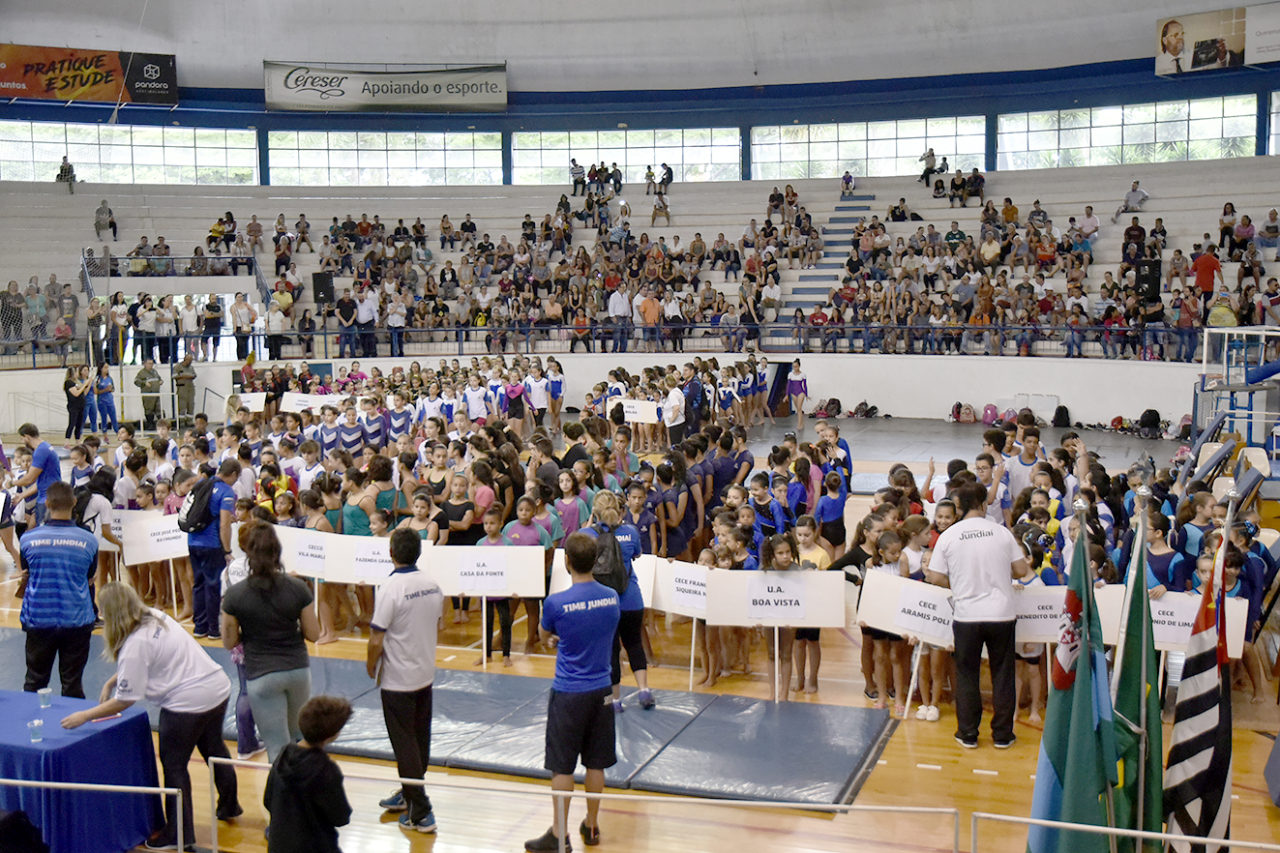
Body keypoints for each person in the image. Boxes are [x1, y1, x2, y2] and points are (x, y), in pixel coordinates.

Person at [60, 583, 241, 851]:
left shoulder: (135, 643)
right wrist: (113, 681)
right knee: (214, 749)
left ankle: (179, 834)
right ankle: (229, 804)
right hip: (217, 687)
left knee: (174, 765)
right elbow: (140, 665)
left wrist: (85, 715)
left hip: (186, 704)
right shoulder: (156, 616)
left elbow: (125, 700)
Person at [524, 532, 620, 853]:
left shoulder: (556, 603)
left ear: (566, 563)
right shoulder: (611, 598)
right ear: (596, 561)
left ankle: (560, 835)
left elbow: (543, 635)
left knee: (562, 766)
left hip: (569, 692)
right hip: (603, 690)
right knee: (596, 763)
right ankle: (591, 827)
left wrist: (554, 638)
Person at [925, 482, 1028, 749]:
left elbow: (935, 576)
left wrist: (958, 584)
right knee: (1003, 673)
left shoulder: (949, 535)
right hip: (1002, 614)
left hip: (967, 615)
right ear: (984, 505)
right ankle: (1003, 735)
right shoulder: (1002, 533)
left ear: (958, 508)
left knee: (967, 674)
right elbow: (1020, 570)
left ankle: (968, 733)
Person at [221, 520, 319, 761]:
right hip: (297, 670)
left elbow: (229, 641)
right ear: (278, 551)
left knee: (277, 749)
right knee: (298, 739)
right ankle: (304, 795)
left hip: (262, 673)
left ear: (247, 552)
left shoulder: (235, 595)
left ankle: (284, 798)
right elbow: (314, 634)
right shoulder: (298, 588)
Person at [368, 528, 444, 834]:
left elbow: (376, 638)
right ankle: (409, 791)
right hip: (424, 673)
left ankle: (421, 811)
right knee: (419, 737)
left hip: (398, 679)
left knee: (405, 744)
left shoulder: (390, 588)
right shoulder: (433, 584)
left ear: (391, 552)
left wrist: (370, 665)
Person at [19, 481, 98, 698]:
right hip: (77, 619)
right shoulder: (89, 540)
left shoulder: (27, 539)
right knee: (72, 684)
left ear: (47, 503)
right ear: (74, 502)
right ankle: (74, 730)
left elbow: (26, 571)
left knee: (34, 682)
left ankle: (31, 727)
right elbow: (90, 577)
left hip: (38, 619)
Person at [263, 695, 353, 853]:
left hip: (279, 845)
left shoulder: (283, 756)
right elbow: (340, 817)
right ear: (332, 735)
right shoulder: (327, 771)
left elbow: (268, 800)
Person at [188, 460, 239, 640]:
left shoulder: (201, 484)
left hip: (193, 540)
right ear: (232, 474)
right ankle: (213, 629)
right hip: (212, 543)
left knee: (198, 584)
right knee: (213, 585)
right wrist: (227, 550)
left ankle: (199, 627)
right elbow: (224, 524)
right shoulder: (226, 491)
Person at [12, 423, 63, 525]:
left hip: (47, 498)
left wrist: (12, 483)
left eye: (22, 439)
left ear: (27, 437)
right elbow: (39, 482)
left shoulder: (41, 451)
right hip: (50, 494)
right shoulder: (45, 447)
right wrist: (22, 495)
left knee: (44, 532)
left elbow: (29, 479)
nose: (22, 442)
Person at [135, 356, 163, 429]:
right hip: (148, 395)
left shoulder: (154, 371)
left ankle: (161, 425)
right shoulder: (142, 373)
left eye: (152, 363)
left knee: (158, 409)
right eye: (149, 363)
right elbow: (136, 381)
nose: (151, 365)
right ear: (145, 364)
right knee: (149, 409)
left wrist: (160, 381)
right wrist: (144, 383)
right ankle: (150, 424)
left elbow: (159, 378)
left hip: (156, 394)